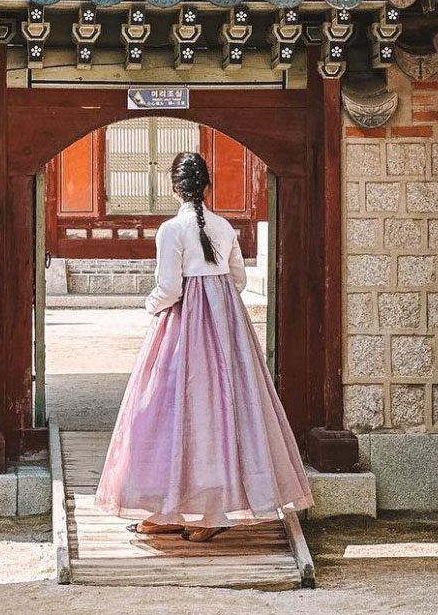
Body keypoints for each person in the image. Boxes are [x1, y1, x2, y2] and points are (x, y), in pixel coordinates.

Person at [93, 150, 313, 540]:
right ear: (206, 187)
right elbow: (238, 280)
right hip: (227, 330)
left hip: (182, 328)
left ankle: (175, 510)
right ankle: (202, 512)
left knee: (165, 412)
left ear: (175, 189)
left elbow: (169, 288)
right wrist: (216, 300)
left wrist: (151, 306)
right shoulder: (225, 227)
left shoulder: (170, 231)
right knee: (226, 413)